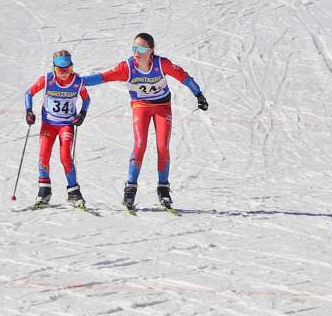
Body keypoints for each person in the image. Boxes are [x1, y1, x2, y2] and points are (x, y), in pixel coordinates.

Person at [79, 33, 208, 211]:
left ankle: (163, 188)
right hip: (141, 106)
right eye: (134, 48)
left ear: (150, 51)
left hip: (162, 106)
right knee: (140, 144)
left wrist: (198, 94)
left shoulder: (162, 64)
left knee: (163, 146)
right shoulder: (127, 67)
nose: (136, 52)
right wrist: (76, 81)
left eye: (141, 49)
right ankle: (130, 188)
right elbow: (102, 77)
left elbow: (183, 77)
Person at [24, 50, 90, 207]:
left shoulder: (77, 82)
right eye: (61, 70)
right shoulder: (47, 80)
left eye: (68, 69)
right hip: (49, 124)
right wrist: (29, 111)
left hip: (66, 125)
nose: (64, 73)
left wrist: (82, 115)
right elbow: (29, 93)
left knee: (65, 156)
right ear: (54, 68)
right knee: (43, 155)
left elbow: (86, 99)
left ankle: (74, 192)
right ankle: (44, 191)